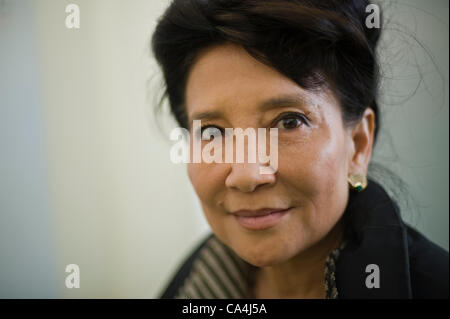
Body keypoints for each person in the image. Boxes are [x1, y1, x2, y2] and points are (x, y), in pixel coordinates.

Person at [151, 0, 449, 298]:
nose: (246, 176)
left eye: (289, 122)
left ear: (358, 145)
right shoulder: (188, 285)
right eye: (212, 132)